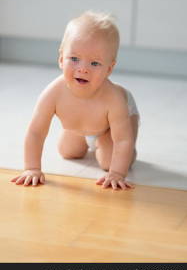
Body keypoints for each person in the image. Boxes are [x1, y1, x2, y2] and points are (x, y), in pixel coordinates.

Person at [11, 11, 140, 190]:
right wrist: (32, 168)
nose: (83, 69)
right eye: (74, 59)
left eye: (95, 63)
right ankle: (85, 137)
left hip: (116, 122)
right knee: (68, 152)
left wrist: (117, 173)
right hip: (82, 124)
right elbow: (35, 132)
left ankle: (103, 141)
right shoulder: (53, 92)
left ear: (109, 69)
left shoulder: (115, 99)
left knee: (108, 161)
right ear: (61, 59)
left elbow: (122, 140)